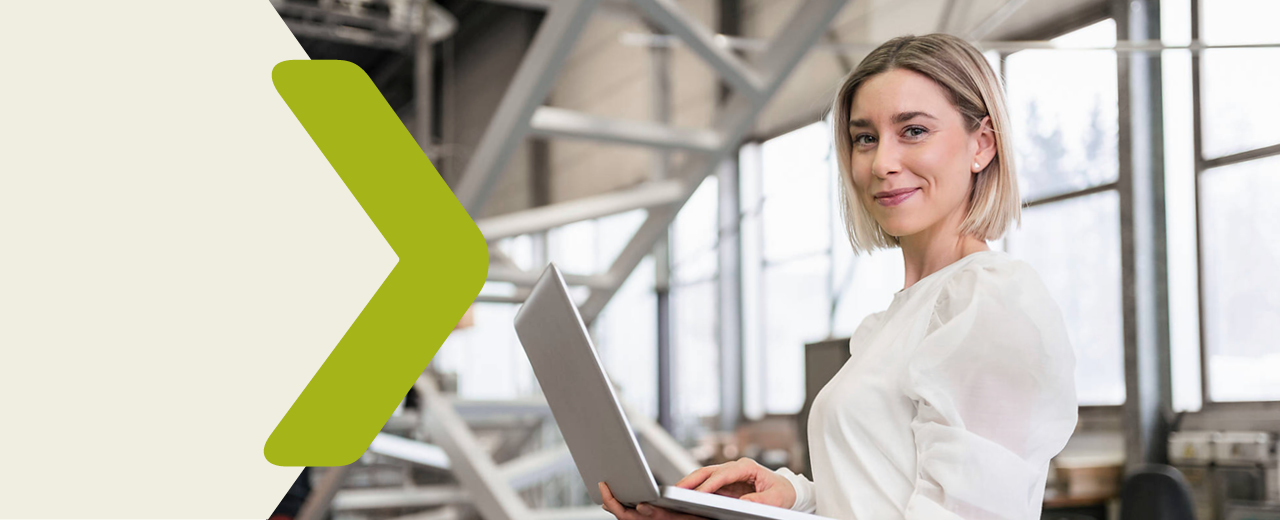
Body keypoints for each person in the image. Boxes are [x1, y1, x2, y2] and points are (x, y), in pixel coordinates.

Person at [599, 33, 1078, 520]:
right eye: (864, 138)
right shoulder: (896, 321)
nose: (882, 163)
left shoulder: (989, 302)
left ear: (982, 145)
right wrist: (787, 499)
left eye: (913, 130)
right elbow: (877, 495)